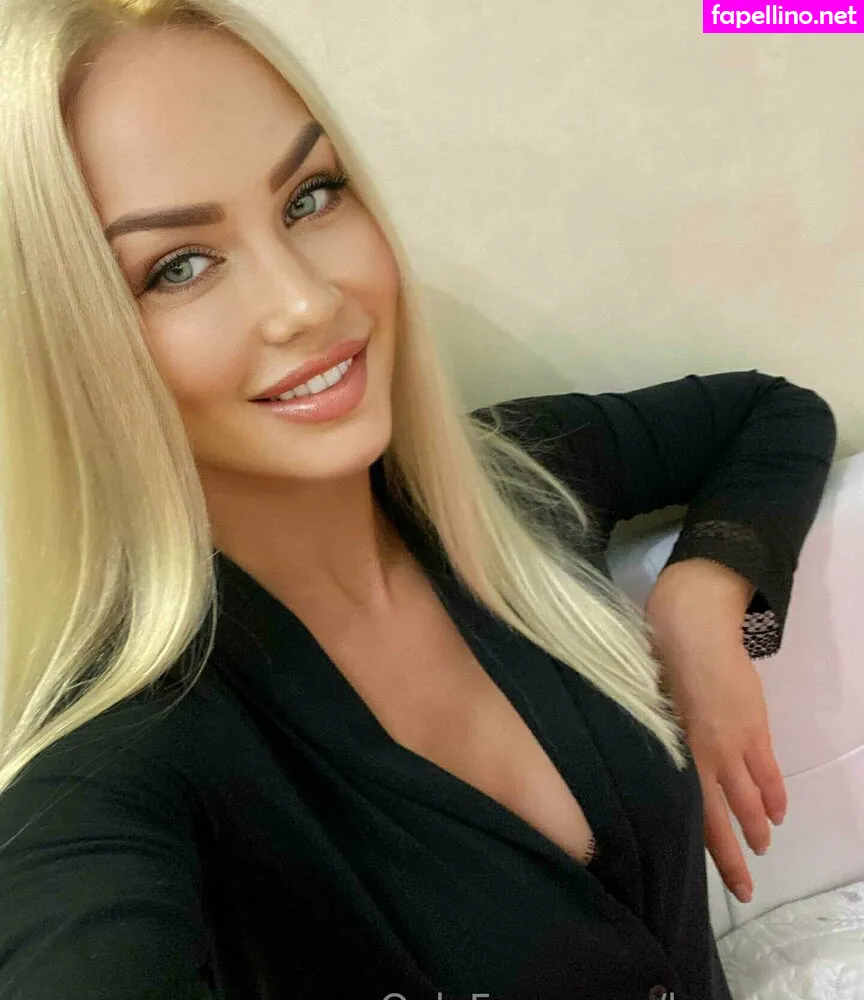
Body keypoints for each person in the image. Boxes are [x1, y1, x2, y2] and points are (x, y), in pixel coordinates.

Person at [0, 1, 837, 998]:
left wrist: (701, 607)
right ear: (65, 349)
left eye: (309, 197)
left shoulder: (512, 480)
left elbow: (771, 415)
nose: (307, 300)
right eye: (178, 266)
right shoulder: (112, 773)